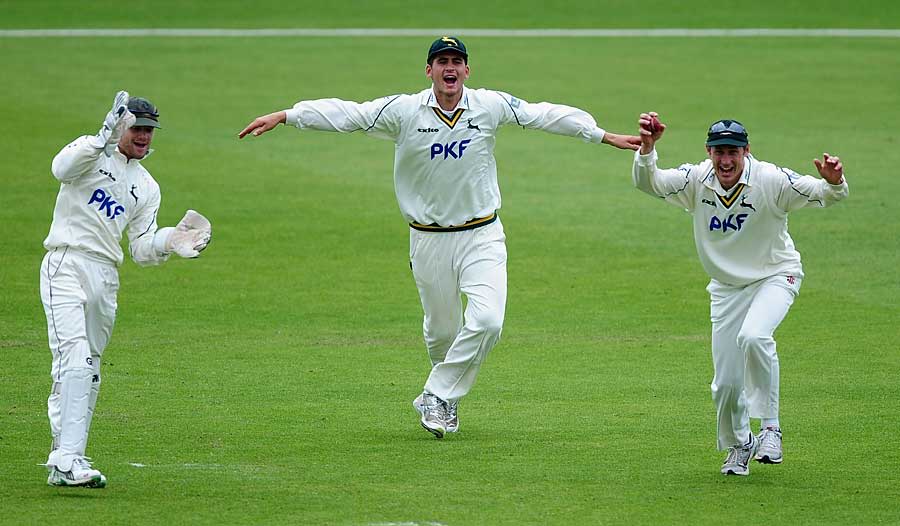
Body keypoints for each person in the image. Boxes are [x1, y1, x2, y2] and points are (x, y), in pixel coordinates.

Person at [239, 36, 641, 438]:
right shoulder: (403, 111)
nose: (450, 68)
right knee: (442, 333)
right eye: (441, 61)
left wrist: (600, 135)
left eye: (457, 61)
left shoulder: (489, 105)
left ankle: (437, 395)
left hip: (482, 234)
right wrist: (289, 115)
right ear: (428, 70)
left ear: (468, 70)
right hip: (428, 239)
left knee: (487, 321)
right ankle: (445, 398)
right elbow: (349, 114)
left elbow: (543, 114)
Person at [631, 112, 848, 475]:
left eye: (733, 151)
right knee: (726, 385)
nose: (726, 161)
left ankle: (770, 429)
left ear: (746, 151)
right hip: (726, 289)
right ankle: (739, 444)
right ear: (708, 152)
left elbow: (823, 193)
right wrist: (647, 151)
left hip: (775, 276)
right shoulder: (696, 180)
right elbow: (649, 184)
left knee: (755, 335)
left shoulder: (770, 179)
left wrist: (835, 182)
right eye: (719, 152)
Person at [41, 91, 212, 487]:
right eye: (137, 128)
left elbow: (140, 246)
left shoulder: (146, 186)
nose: (144, 137)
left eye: (149, 130)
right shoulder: (90, 154)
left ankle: (67, 459)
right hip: (66, 263)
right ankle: (67, 458)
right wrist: (100, 138)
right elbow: (60, 168)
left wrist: (170, 240)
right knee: (76, 360)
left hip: (105, 276)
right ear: (120, 125)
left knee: (88, 368)